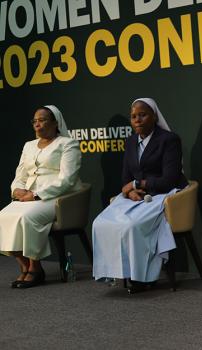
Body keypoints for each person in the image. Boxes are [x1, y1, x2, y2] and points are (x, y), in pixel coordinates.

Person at [92, 98, 187, 293]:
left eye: (142, 115)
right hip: (137, 197)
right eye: (134, 116)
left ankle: (143, 277)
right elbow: (126, 177)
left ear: (154, 116)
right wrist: (130, 191)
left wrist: (137, 184)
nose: (137, 120)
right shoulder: (130, 141)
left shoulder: (169, 140)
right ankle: (118, 272)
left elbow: (169, 179)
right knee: (100, 223)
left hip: (164, 194)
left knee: (132, 226)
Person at [0, 105, 82, 288]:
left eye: (42, 120)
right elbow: (20, 174)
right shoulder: (29, 145)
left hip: (54, 198)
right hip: (27, 196)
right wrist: (17, 190)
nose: (38, 124)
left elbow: (68, 180)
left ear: (55, 122)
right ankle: (24, 266)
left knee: (26, 217)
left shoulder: (67, 144)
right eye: (35, 121)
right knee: (2, 216)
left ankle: (36, 269)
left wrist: (36, 195)